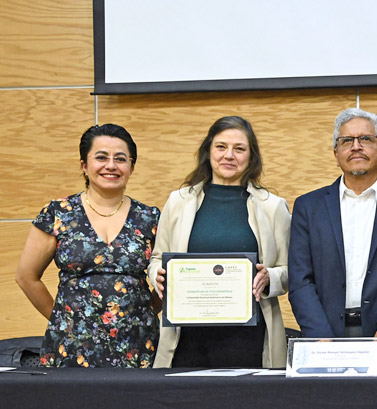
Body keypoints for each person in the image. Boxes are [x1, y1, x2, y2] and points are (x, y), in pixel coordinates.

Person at [149, 116, 291, 368]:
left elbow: (290, 269)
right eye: (221, 146)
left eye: (239, 149)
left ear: (251, 156)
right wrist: (156, 275)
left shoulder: (272, 207)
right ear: (208, 151)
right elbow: (158, 258)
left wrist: (270, 277)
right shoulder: (179, 201)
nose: (229, 155)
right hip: (187, 337)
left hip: (249, 337)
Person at [15, 124, 160, 367]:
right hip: (71, 345)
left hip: (137, 344)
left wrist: (144, 311)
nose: (111, 165)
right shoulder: (58, 213)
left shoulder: (150, 217)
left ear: (132, 167)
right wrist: (62, 318)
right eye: (101, 157)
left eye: (120, 159)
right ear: (84, 164)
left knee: (137, 405)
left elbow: (171, 278)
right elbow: (26, 276)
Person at [289, 108, 377, 356]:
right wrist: (318, 335)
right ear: (336, 153)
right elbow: (300, 279)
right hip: (324, 335)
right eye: (347, 141)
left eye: (366, 139)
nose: (356, 146)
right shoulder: (308, 207)